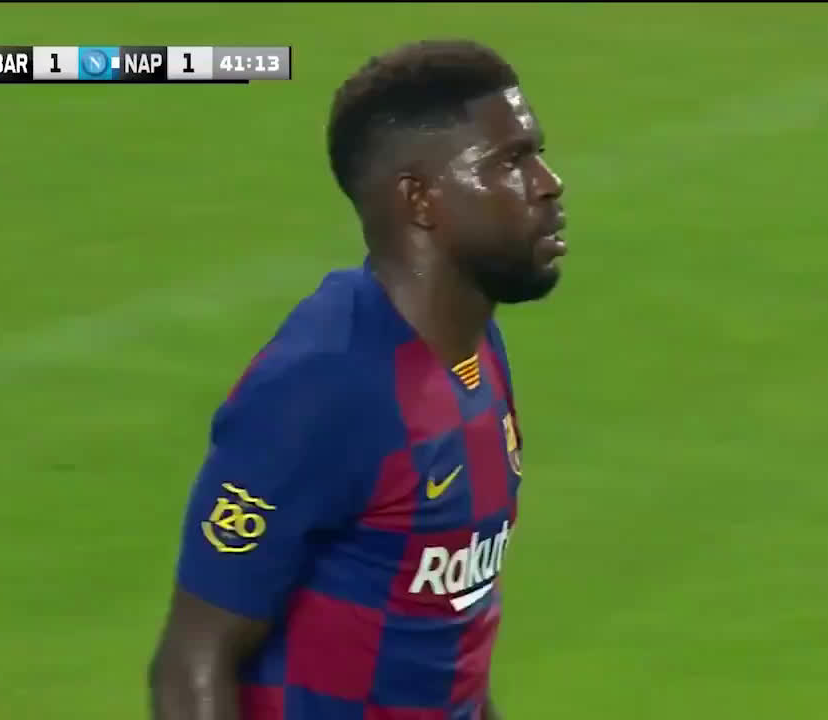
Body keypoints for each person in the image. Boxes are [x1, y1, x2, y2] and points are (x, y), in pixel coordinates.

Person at [148, 38, 566, 720]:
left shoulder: (473, 348)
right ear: (421, 200)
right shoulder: (324, 387)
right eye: (510, 162)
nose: (547, 182)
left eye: (537, 153)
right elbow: (194, 661)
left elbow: (450, 643)